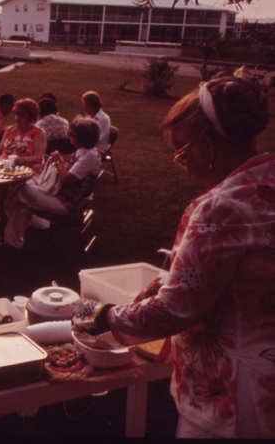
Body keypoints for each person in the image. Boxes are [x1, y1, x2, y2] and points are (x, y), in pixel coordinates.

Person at [73, 75, 274, 438]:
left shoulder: (221, 207)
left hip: (233, 392)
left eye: (182, 150)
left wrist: (100, 314)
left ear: (209, 143)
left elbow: (173, 310)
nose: (180, 162)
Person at [4, 116, 101, 249]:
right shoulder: (86, 152)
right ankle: (14, 240)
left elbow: (67, 179)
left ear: (82, 138)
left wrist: (58, 160)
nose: (68, 136)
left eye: (72, 134)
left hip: (67, 203)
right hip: (62, 195)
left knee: (20, 189)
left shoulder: (88, 157)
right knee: (22, 199)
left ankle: (14, 229)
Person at [0, 98, 47, 169]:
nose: (17, 118)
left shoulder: (39, 133)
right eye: (16, 114)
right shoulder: (9, 130)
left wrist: (19, 160)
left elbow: (39, 157)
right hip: (4, 168)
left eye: (22, 116)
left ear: (31, 117)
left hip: (28, 170)